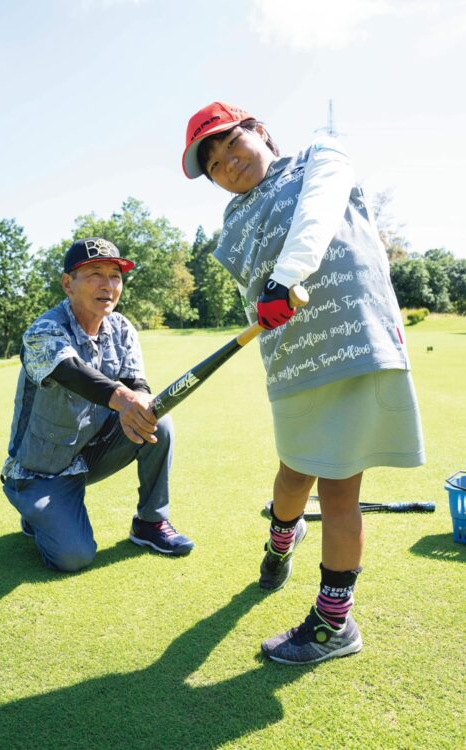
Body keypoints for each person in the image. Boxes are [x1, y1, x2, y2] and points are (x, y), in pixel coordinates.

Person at [181, 102, 425, 665]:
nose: (227, 165)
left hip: (356, 345)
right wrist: (267, 291)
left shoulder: (323, 155)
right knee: (293, 478)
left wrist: (283, 278)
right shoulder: (233, 223)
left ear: (261, 132)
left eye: (230, 145)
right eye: (213, 164)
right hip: (292, 361)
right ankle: (281, 539)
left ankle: (332, 624)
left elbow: (316, 214)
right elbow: (255, 285)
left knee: (339, 489)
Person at [1, 237, 194, 572]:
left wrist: (143, 400)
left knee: (157, 421)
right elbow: (71, 372)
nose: (108, 285)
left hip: (90, 453)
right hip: (41, 472)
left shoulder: (121, 326)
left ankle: (149, 524)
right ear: (68, 284)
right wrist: (126, 398)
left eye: (115, 276)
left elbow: (136, 384)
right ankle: (36, 514)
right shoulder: (44, 330)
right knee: (74, 558)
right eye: (95, 274)